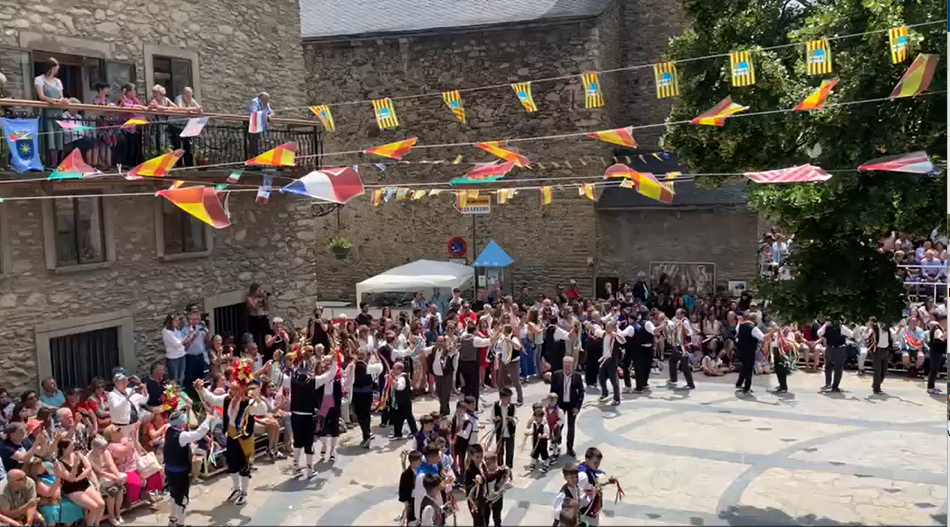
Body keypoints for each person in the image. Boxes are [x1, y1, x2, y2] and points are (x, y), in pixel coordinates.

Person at [194, 364, 267, 506]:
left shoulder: (248, 402)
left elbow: (262, 410)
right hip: (231, 435)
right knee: (232, 464)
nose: (230, 390)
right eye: (230, 388)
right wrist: (201, 388)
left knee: (244, 467)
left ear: (241, 389)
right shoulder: (226, 399)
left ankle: (244, 493)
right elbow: (211, 398)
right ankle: (237, 489)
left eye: (234, 389)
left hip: (244, 438)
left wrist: (258, 398)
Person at [163, 409, 213, 527]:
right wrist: (208, 419)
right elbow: (198, 434)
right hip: (180, 472)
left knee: (174, 495)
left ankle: (173, 519)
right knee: (182, 499)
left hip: (169, 469)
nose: (185, 422)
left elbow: (186, 445)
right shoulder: (181, 435)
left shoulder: (169, 430)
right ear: (180, 422)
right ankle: (180, 524)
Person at [55, 438, 106, 526]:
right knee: (94, 507)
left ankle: (96, 524)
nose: (73, 447)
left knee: (101, 504)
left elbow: (88, 468)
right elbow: (70, 478)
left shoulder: (77, 453)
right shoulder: (59, 463)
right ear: (64, 448)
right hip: (72, 488)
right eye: (71, 446)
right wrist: (75, 464)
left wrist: (80, 477)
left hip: (83, 483)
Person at [87, 435, 126, 525]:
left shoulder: (106, 452)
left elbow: (111, 465)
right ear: (94, 447)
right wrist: (113, 477)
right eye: (101, 449)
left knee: (119, 489)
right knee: (112, 491)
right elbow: (99, 472)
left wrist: (117, 475)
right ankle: (111, 517)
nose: (103, 450)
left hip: (109, 476)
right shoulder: (89, 457)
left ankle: (118, 513)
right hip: (98, 479)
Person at [34, 58, 66, 166]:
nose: (56, 71)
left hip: (58, 112)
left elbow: (61, 96)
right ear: (50, 68)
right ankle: (50, 163)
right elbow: (41, 96)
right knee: (50, 137)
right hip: (47, 112)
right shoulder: (39, 79)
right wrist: (52, 101)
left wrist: (61, 100)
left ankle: (58, 163)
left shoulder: (58, 81)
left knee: (58, 138)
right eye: (55, 69)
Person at [549, 357, 583, 457]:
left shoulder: (577, 376)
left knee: (571, 427)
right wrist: (552, 405)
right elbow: (552, 391)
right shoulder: (556, 375)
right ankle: (556, 444)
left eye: (569, 365)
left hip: (572, 405)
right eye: (565, 365)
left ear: (572, 365)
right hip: (560, 404)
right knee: (558, 426)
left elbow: (581, 392)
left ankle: (570, 448)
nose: (567, 367)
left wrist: (578, 407)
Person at [577, 447, 617, 526]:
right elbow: (580, 497)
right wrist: (594, 491)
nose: (597, 465)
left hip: (592, 510)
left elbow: (593, 485)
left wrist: (607, 482)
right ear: (587, 460)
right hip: (586, 512)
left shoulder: (589, 469)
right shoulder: (583, 475)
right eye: (595, 462)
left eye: (598, 462)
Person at [817, 317, 853, 392]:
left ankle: (830, 384)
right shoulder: (841, 327)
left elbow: (819, 333)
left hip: (832, 347)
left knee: (831, 367)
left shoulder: (827, 326)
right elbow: (851, 334)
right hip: (837, 348)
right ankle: (833, 386)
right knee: (836, 368)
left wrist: (825, 337)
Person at [106, 374, 147, 438]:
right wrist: (128, 397)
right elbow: (117, 408)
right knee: (125, 445)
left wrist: (141, 385)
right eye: (122, 383)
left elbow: (144, 399)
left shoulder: (128, 390)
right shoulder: (112, 395)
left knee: (134, 445)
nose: (125, 385)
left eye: (125, 382)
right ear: (116, 384)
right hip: (121, 426)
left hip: (134, 423)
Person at [735, 313, 765, 394]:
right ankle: (747, 387)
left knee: (744, 367)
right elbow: (763, 337)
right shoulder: (754, 329)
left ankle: (739, 383)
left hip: (741, 351)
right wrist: (773, 332)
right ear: (754, 320)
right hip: (749, 352)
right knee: (749, 370)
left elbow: (737, 331)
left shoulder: (740, 326)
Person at [494, 325, 525, 406]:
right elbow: (498, 348)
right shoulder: (502, 338)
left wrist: (509, 341)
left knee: (515, 382)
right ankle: (502, 398)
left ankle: (520, 399)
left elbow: (518, 347)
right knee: (500, 381)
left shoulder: (513, 338)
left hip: (513, 362)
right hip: (504, 362)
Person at [463, 444, 489, 526]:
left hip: (484, 498)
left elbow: (487, 477)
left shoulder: (483, 466)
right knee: (478, 521)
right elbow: (467, 488)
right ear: (471, 456)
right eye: (477, 457)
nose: (480, 459)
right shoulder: (469, 470)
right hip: (474, 500)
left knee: (485, 519)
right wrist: (475, 482)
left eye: (481, 456)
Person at [492, 388, 517, 469]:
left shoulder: (512, 406)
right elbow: (491, 418)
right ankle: (500, 468)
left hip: (510, 432)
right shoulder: (495, 405)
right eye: (507, 398)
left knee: (510, 451)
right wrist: (496, 419)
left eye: (509, 398)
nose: (509, 400)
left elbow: (516, 418)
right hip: (499, 432)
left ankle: (508, 468)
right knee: (499, 451)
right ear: (502, 398)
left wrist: (512, 419)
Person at [162, 314, 189, 386]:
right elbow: (178, 344)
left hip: (181, 355)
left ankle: (180, 394)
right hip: (173, 359)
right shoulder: (166, 332)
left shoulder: (176, 330)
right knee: (174, 379)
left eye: (178, 320)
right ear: (171, 321)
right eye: (176, 321)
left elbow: (182, 341)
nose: (178, 322)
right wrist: (188, 335)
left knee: (181, 378)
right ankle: (175, 396)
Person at [399, 450, 423, 525]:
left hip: (420, 498)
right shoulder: (405, 474)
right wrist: (405, 501)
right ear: (413, 461)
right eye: (420, 460)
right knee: (411, 518)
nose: (421, 462)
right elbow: (402, 488)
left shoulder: (421, 471)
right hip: (411, 500)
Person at [927, 307, 946, 395]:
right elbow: (941, 338)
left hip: (937, 352)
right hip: (935, 352)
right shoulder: (937, 328)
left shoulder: (939, 328)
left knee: (935, 369)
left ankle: (932, 386)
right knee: (934, 369)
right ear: (942, 321)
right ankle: (930, 388)